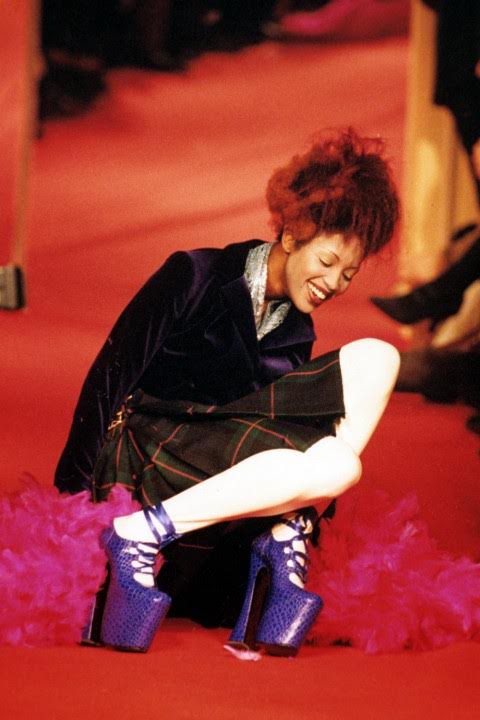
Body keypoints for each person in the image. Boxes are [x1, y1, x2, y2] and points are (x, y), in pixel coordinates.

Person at [55, 127, 401, 656]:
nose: (334, 284)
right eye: (327, 262)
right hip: (149, 452)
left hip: (214, 470)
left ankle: (279, 532)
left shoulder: (297, 331)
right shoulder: (194, 275)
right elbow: (109, 377)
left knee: (378, 363)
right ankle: (146, 532)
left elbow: (274, 437)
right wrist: (69, 507)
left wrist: (295, 510)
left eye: (349, 275)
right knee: (334, 464)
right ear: (292, 235)